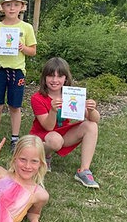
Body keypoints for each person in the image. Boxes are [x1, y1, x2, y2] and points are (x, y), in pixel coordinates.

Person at [30, 57, 100, 188]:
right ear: (44, 78)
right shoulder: (37, 98)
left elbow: (95, 120)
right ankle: (44, 156)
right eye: (50, 76)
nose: (55, 80)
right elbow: (48, 126)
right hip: (42, 135)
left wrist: (91, 109)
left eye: (59, 76)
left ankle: (84, 170)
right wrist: (52, 110)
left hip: (63, 134)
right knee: (55, 140)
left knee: (91, 125)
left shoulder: (71, 94)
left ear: (65, 79)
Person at [0, 0, 37, 152]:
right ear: (3, 7)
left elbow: (33, 51)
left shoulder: (26, 27)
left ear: (21, 7)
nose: (12, 8)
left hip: (17, 71)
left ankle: (15, 139)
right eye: (8, 5)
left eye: (15, 5)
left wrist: (23, 48)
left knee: (15, 106)